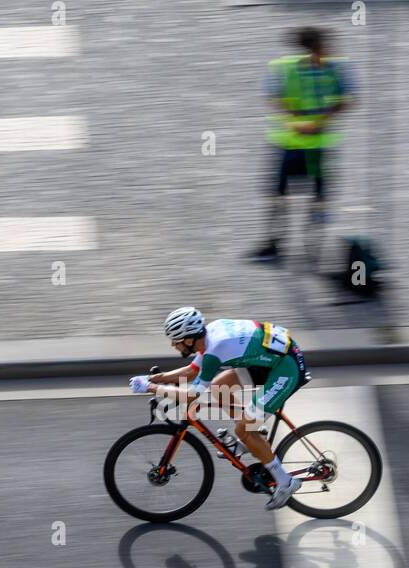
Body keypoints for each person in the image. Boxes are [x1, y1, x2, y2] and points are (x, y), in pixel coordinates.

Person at [129, 307, 310, 510]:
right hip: (270, 358)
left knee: (243, 428)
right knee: (218, 387)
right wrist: (153, 379)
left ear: (189, 339)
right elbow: (191, 370)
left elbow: (193, 394)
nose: (173, 345)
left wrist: (151, 388)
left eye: (176, 340)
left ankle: (285, 482)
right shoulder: (209, 336)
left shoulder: (214, 351)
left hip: (285, 367)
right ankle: (252, 436)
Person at [249, 27, 353, 265]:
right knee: (277, 195)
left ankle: (311, 248)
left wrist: (319, 121)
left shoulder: (338, 67)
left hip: (318, 145)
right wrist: (296, 121)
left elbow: (348, 99)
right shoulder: (284, 67)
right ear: (311, 48)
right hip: (289, 142)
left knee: (318, 198)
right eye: (323, 46)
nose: (327, 50)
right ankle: (275, 244)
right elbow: (273, 97)